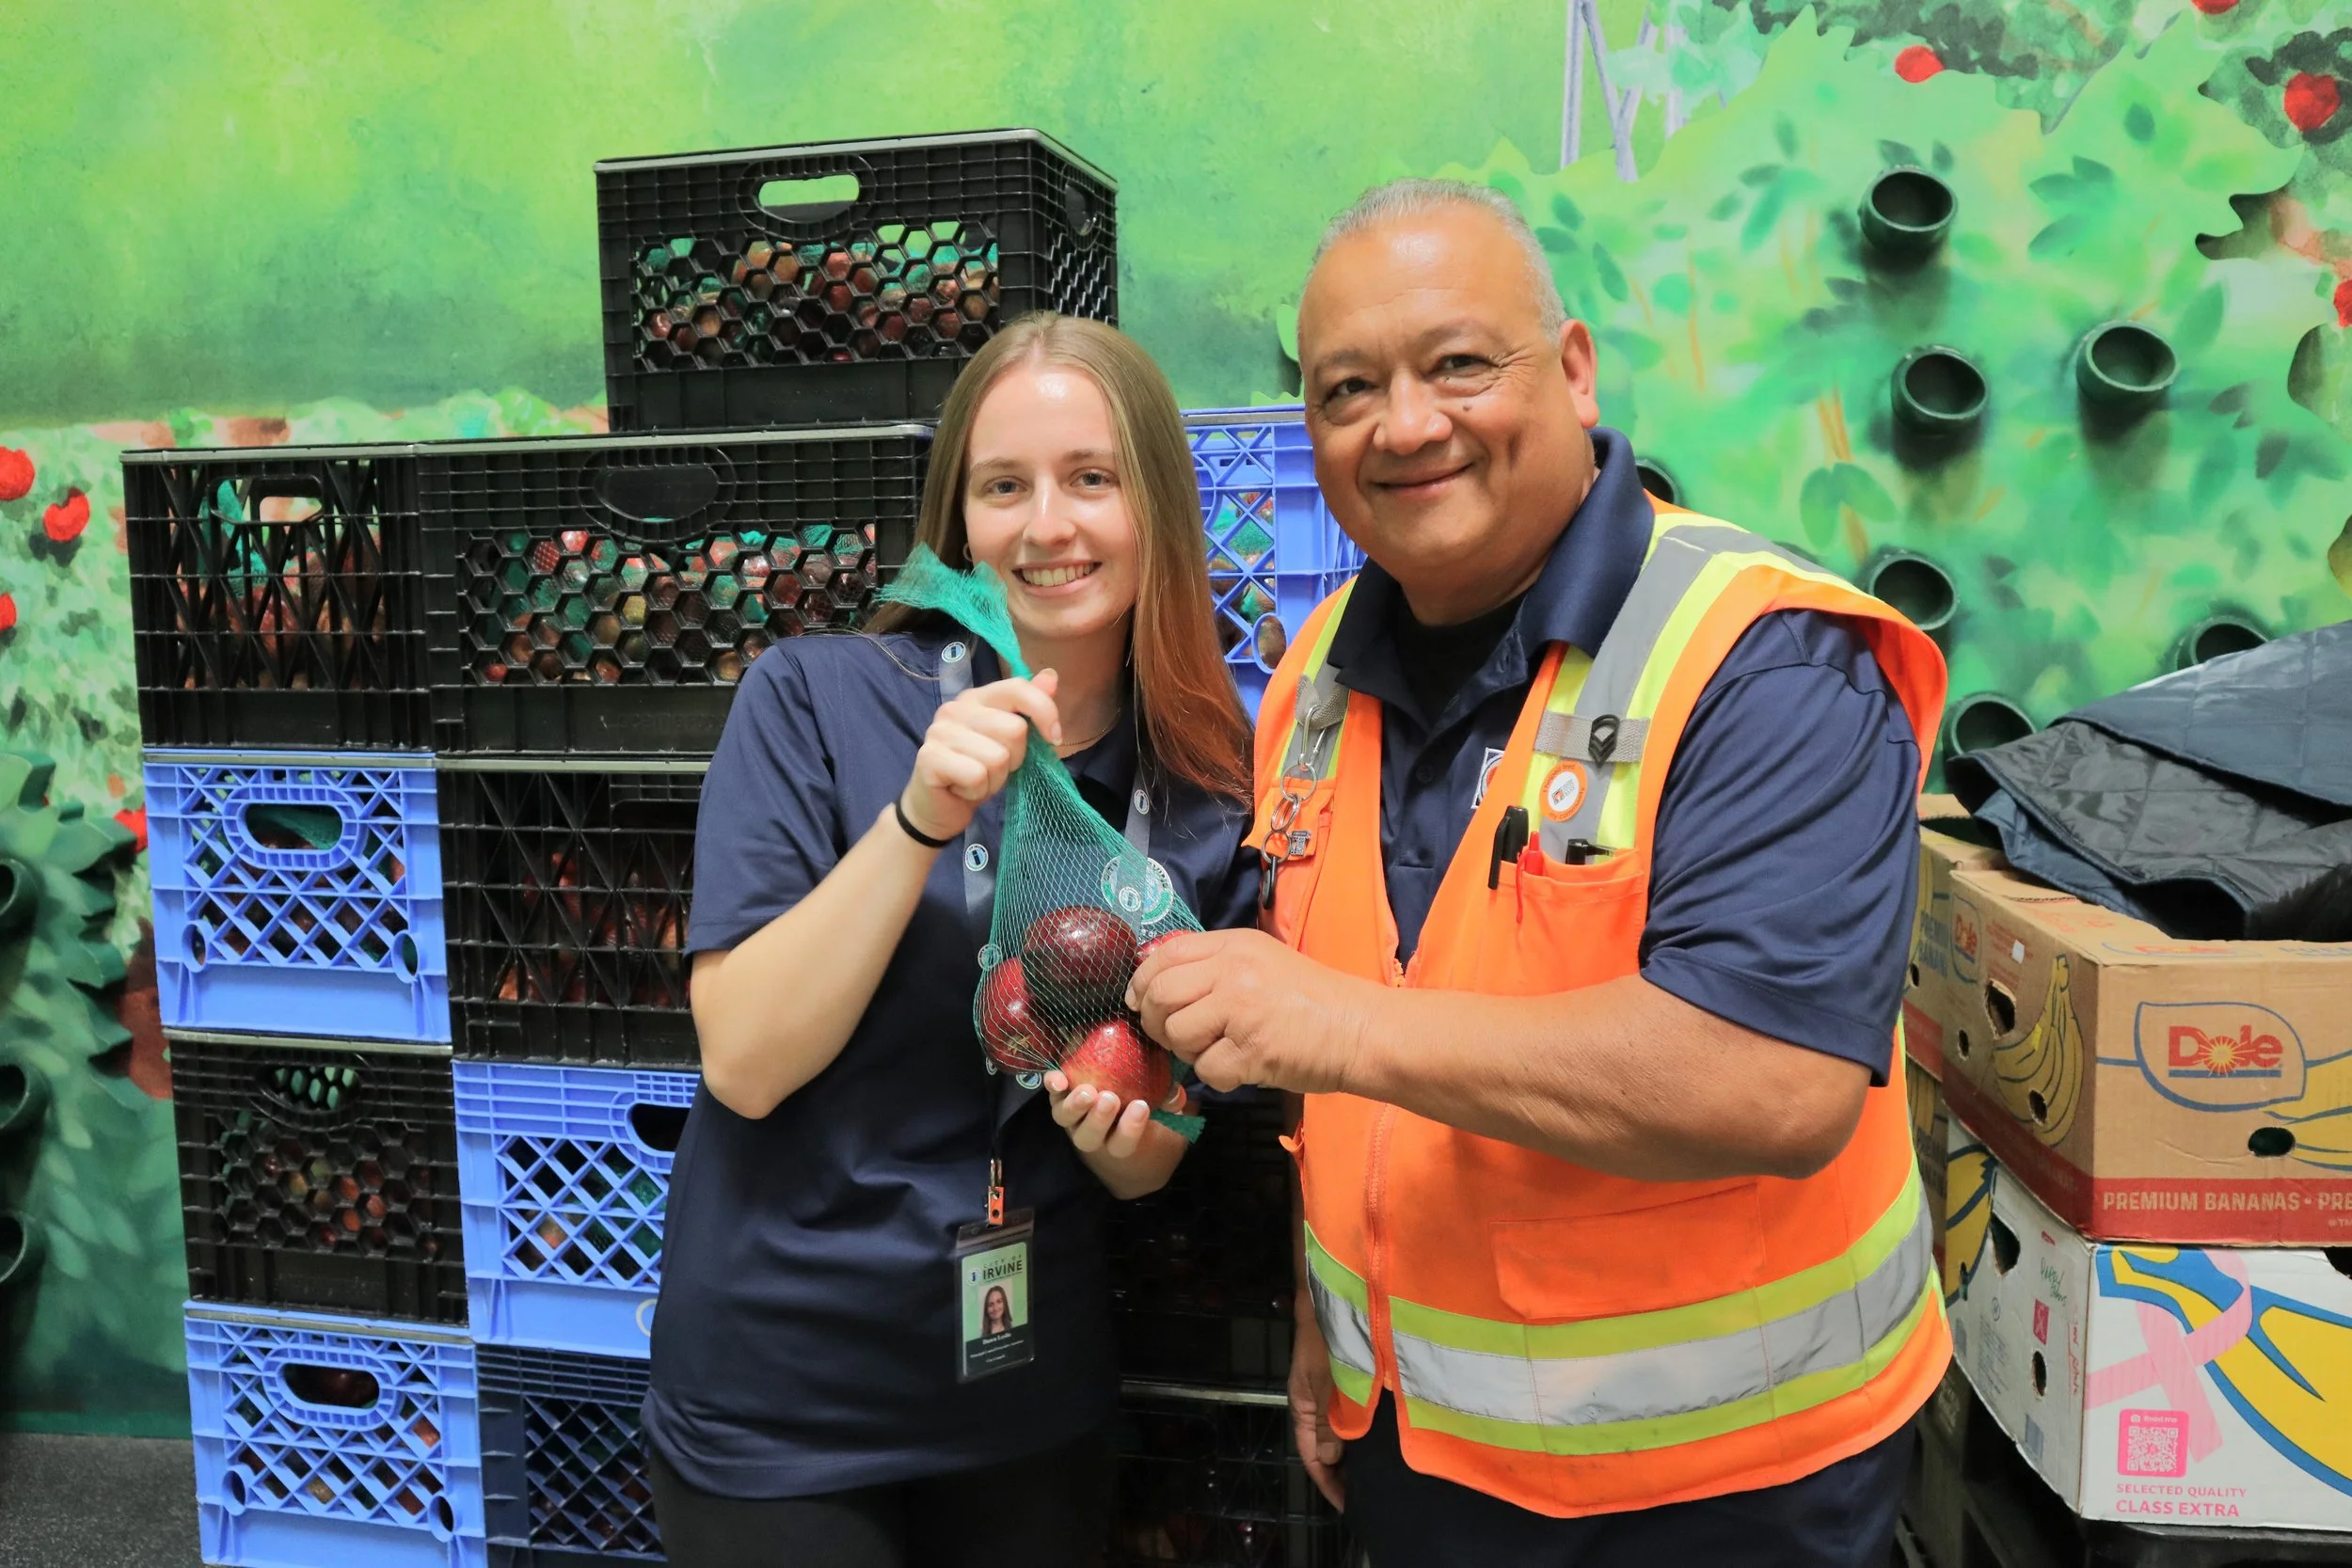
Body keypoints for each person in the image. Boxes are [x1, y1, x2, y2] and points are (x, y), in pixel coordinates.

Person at [1128, 180, 1952, 1566]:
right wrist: (1335, 1326)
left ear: (1572, 371)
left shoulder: (1762, 660)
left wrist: (1322, 1020)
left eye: (1458, 364)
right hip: (1418, 1454)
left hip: (1722, 1496)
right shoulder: (1316, 678)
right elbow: (1352, 1087)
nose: (1405, 425)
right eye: (1347, 391)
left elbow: (1774, 1079)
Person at [644, 313, 1260, 1568]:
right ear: (959, 520)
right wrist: (920, 818)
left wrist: (1135, 1141)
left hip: (1028, 1399)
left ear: (1158, 509)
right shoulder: (816, 698)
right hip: (783, 1403)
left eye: (1093, 478)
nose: (1049, 525)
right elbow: (746, 1060)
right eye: (1004, 486)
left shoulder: (1204, 785)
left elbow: (1159, 1152)